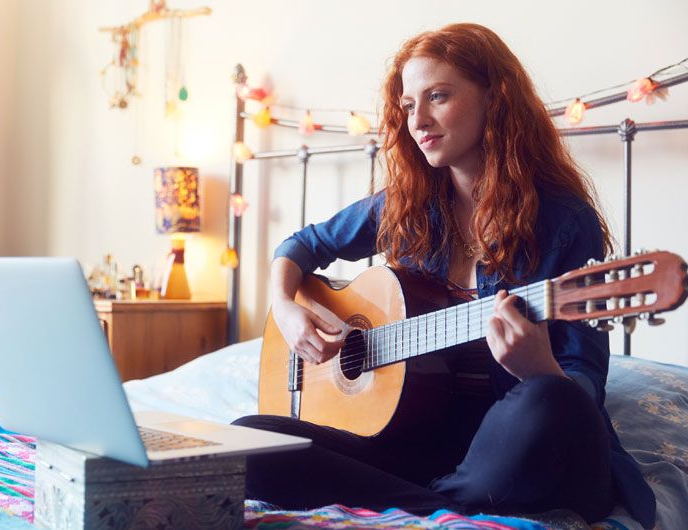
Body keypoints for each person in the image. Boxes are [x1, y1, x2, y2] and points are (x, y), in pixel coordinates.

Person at [233, 22, 656, 528]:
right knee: (244, 442)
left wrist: (539, 367)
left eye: (438, 96)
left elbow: (585, 386)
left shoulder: (564, 222)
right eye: (409, 105)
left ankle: (424, 505)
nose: (419, 120)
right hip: (417, 444)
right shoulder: (408, 206)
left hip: (517, 440)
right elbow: (299, 248)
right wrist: (286, 309)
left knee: (552, 401)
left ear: (493, 99)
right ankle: (446, 508)